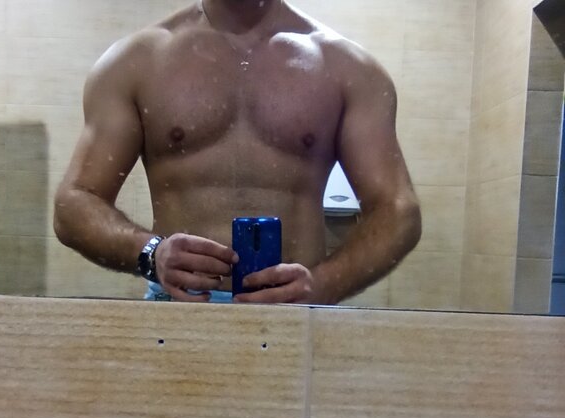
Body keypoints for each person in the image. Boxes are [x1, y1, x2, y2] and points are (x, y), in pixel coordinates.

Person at [54, 0, 421, 305]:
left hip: (295, 313)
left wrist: (325, 284)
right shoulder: (137, 61)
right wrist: (151, 252)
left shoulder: (346, 68)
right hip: (178, 311)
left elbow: (398, 211)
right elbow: (75, 201)